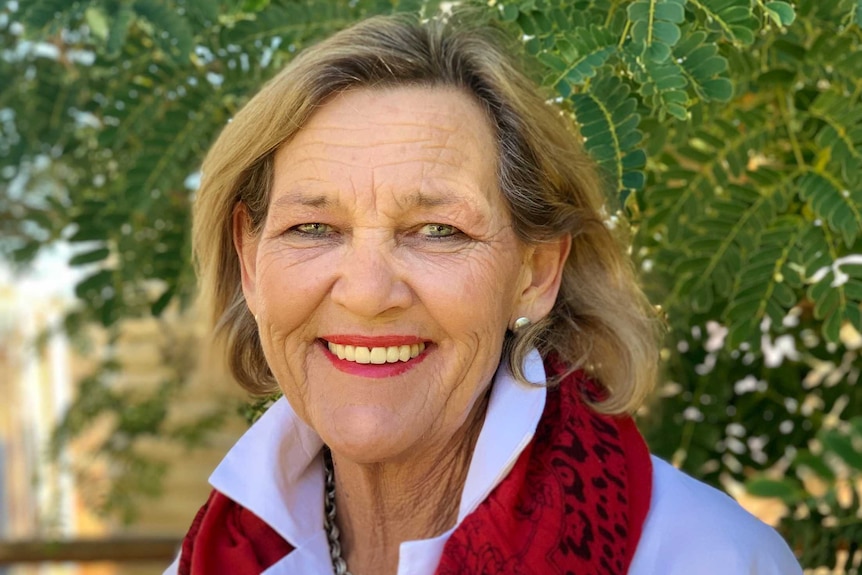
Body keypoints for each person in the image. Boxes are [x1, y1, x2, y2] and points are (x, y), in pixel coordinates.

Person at [165, 12, 803, 575]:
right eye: (312, 228)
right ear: (251, 262)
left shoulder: (708, 559)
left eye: (438, 231)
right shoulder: (210, 560)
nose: (366, 293)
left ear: (537, 271)